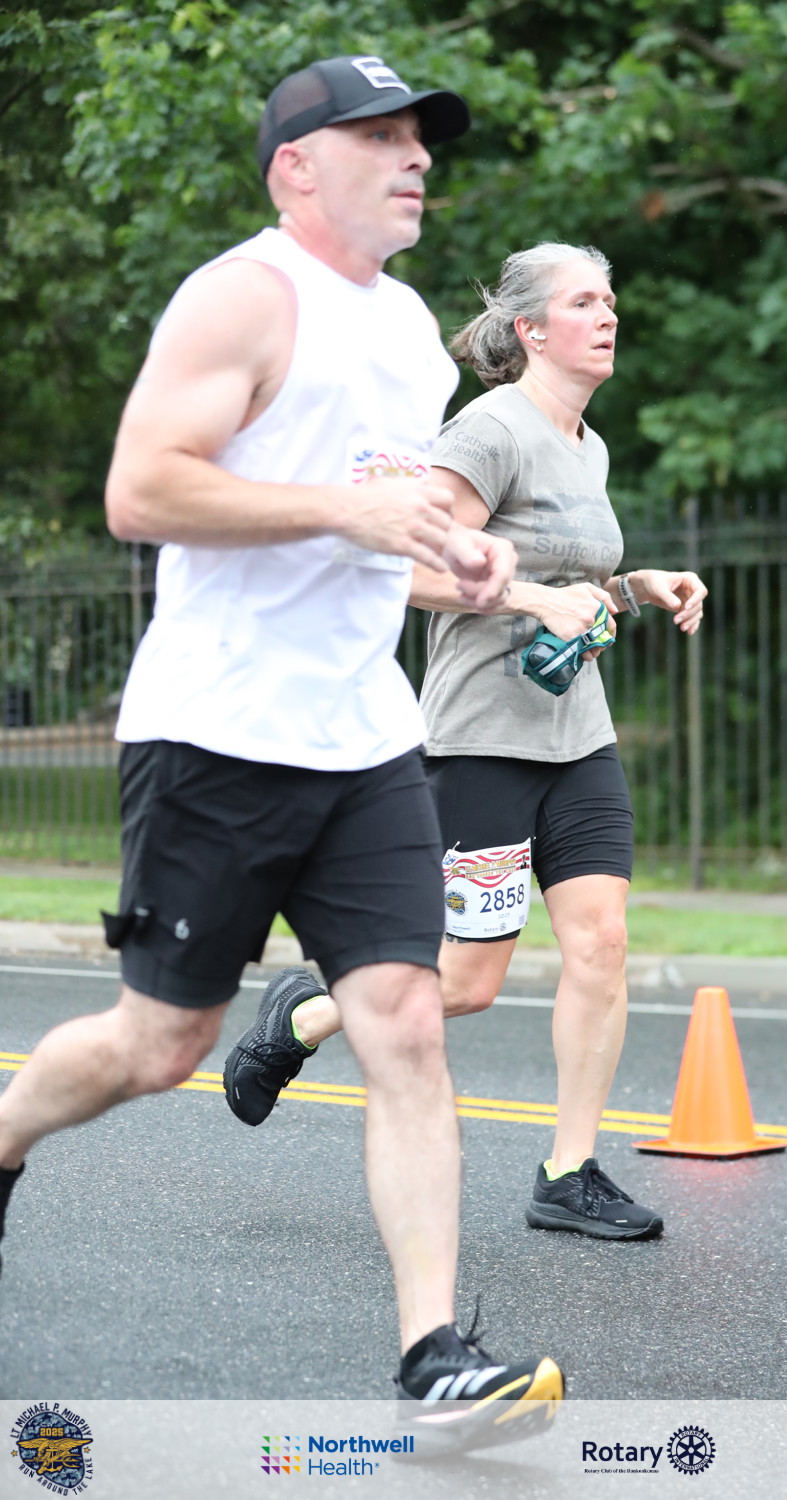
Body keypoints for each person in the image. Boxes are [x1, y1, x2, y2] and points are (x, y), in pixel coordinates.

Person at [0, 56, 563, 1453]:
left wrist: (462, 561)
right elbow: (142, 488)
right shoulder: (243, 296)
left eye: (421, 138)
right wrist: (344, 514)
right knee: (161, 1044)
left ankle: (434, 1355)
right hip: (220, 731)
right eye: (381, 137)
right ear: (296, 167)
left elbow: (381, 527)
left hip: (365, 737)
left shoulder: (413, 329)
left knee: (408, 1021)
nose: (416, 157)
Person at [223, 240, 707, 1241]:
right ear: (531, 329)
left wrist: (634, 587)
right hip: (482, 740)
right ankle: (306, 1014)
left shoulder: (588, 445)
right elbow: (401, 568)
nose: (608, 315)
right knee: (470, 982)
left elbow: (569, 587)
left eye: (610, 299)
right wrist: (531, 597)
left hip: (576, 737)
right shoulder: (488, 432)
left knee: (601, 944)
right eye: (584, 302)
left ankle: (567, 1172)